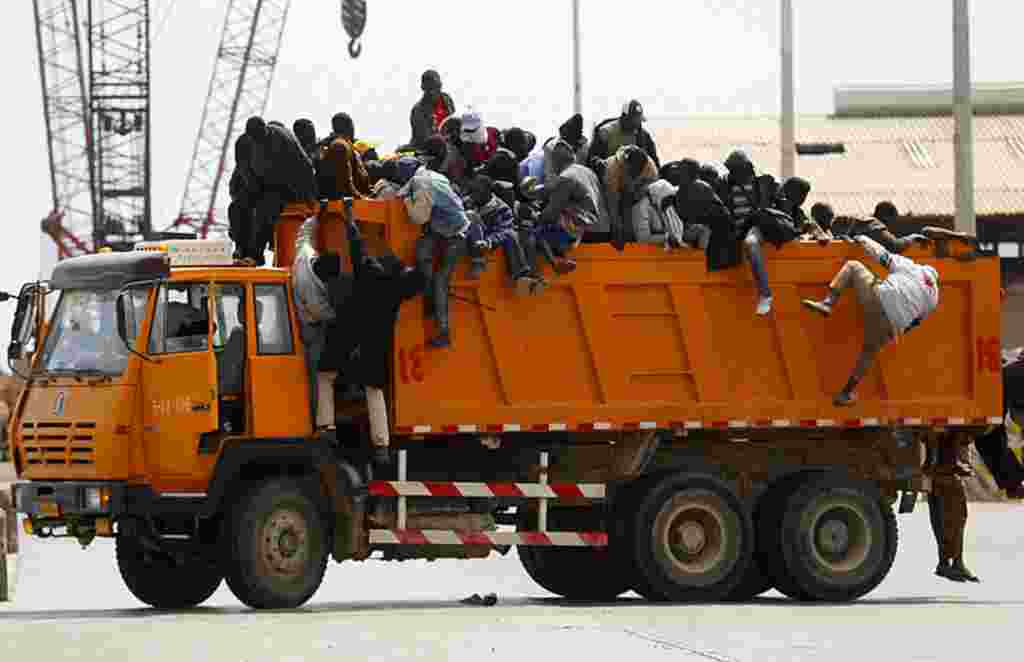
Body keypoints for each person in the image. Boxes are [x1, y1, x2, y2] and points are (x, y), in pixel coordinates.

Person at [802, 234, 940, 406]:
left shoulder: (913, 267)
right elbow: (915, 323)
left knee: (853, 266)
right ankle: (845, 393)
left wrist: (862, 238)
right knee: (869, 352)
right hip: (893, 324)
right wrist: (893, 332)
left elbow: (882, 255)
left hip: (880, 299)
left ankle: (828, 303)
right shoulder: (934, 298)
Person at [335, 213, 427, 466]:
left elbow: (357, 254)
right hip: (381, 343)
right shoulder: (396, 285)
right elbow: (420, 280)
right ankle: (382, 446)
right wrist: (422, 256)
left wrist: (351, 226)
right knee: (376, 390)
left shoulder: (368, 276)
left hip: (357, 340)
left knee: (363, 387)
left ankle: (369, 438)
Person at [401, 163, 472, 348]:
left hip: (454, 234)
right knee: (423, 252)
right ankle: (429, 296)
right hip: (446, 228)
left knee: (441, 279)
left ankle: (443, 331)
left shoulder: (421, 184)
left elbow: (418, 217)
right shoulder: (432, 176)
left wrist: (407, 202)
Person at [292, 215, 344, 426]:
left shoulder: (305, 254)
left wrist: (318, 215)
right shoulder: (312, 292)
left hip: (308, 318)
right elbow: (330, 316)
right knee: (317, 375)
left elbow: (303, 234)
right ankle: (316, 420)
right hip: (311, 328)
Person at [242, 116, 317, 264]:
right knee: (251, 205)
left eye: (257, 137)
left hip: (296, 187)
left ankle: (256, 255)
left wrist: (309, 198)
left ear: (264, 130)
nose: (256, 140)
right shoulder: (262, 139)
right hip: (282, 185)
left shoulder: (280, 139)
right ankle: (249, 250)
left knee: (265, 207)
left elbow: (300, 168)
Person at [465, 174, 546, 294]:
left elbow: (503, 230)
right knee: (470, 215)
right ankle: (478, 261)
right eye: (472, 191)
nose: (473, 194)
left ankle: (523, 276)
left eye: (477, 191)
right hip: (469, 239)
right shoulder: (467, 202)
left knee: (512, 234)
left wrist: (489, 242)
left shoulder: (502, 209)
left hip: (490, 242)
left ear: (488, 192)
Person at [723, 150, 780, 316]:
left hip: (756, 228)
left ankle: (765, 294)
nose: (733, 172)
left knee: (751, 243)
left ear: (747, 167)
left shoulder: (763, 183)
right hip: (737, 230)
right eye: (731, 169)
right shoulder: (725, 186)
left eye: (737, 168)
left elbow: (782, 204)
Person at [532, 140, 609, 261]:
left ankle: (549, 267)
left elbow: (551, 213)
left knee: (535, 232)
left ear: (555, 162)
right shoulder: (588, 172)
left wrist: (535, 218)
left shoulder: (565, 178)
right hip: (603, 230)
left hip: (586, 233)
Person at [927, 433, 980, 583]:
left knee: (942, 517)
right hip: (946, 474)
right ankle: (954, 563)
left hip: (939, 473)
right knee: (955, 518)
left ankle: (948, 562)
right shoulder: (951, 430)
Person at [603, 145, 659, 249]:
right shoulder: (612, 169)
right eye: (632, 171)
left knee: (638, 210)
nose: (634, 174)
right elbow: (612, 203)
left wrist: (637, 195)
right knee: (615, 221)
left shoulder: (651, 168)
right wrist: (617, 228)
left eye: (638, 171)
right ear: (625, 164)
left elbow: (654, 189)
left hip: (636, 192)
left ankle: (635, 235)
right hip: (614, 192)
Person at [590, 100, 660, 169]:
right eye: (634, 120)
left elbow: (654, 162)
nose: (637, 124)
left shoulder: (644, 136)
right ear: (624, 117)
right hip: (610, 176)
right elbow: (592, 159)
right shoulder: (605, 132)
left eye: (639, 120)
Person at [319, 112, 371, 200]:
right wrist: (362, 198)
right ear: (349, 126)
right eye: (352, 125)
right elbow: (345, 183)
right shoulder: (340, 146)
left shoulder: (346, 144)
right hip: (347, 205)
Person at [631, 176, 686, 249]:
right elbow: (642, 239)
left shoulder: (666, 205)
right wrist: (667, 238)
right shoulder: (640, 209)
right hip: (650, 253)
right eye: (668, 198)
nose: (670, 201)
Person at [408, 69, 456, 150]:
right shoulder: (418, 110)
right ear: (423, 88)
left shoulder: (447, 99)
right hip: (427, 150)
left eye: (436, 87)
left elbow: (454, 120)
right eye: (430, 89)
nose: (433, 92)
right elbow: (425, 138)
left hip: (449, 144)